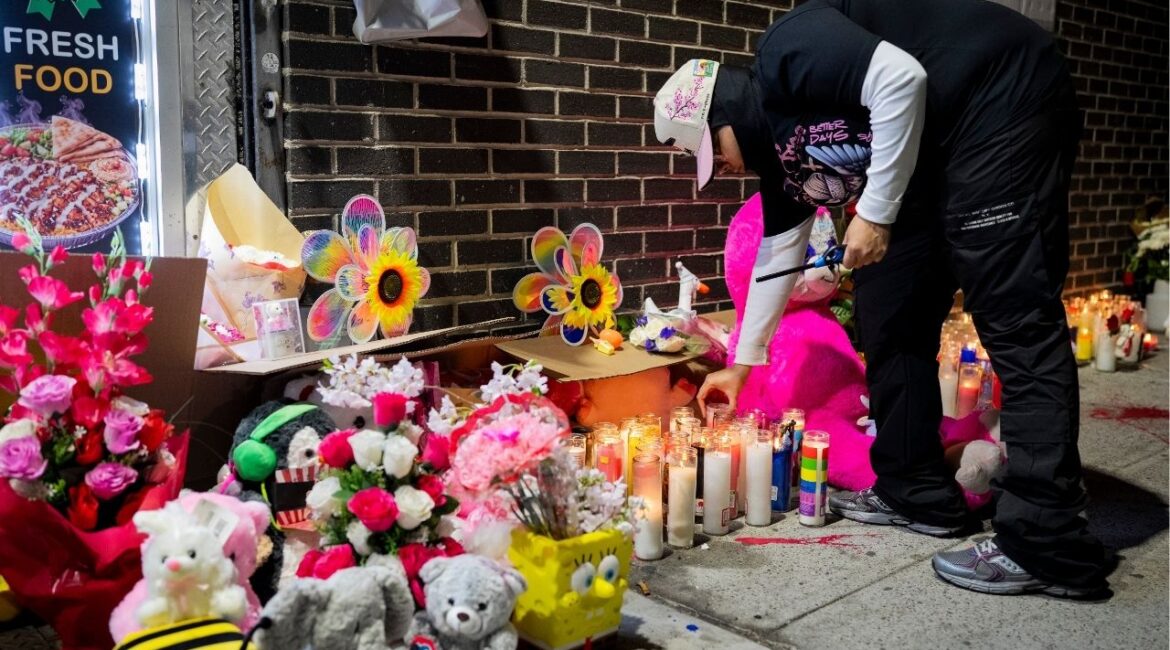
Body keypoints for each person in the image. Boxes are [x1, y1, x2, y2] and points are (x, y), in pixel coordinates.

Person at [652, 0, 1111, 597]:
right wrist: (743, 362)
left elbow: (901, 77)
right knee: (888, 299)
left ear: (725, 111)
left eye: (714, 148)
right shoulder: (787, 161)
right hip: (931, 147)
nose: (726, 167)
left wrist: (873, 210)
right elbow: (776, 259)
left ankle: (1047, 543)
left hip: (998, 97)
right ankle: (914, 487)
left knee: (1014, 312)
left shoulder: (788, 49)